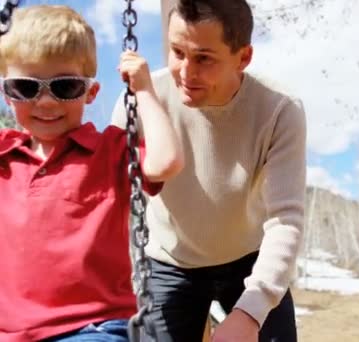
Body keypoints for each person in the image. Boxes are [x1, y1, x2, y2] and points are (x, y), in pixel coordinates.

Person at [111, 0, 307, 341]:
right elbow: (114, 203)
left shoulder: (279, 111)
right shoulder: (144, 100)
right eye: (177, 52)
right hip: (168, 263)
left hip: (250, 259)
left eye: (204, 58)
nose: (186, 72)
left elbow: (286, 219)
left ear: (243, 57)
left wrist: (250, 313)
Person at [0, 5, 184, 342]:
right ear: (7, 93)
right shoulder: (4, 154)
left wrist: (143, 90)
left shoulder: (110, 150)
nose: (45, 102)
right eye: (25, 88)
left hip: (93, 328)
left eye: (65, 87)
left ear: (91, 91)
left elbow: (166, 162)